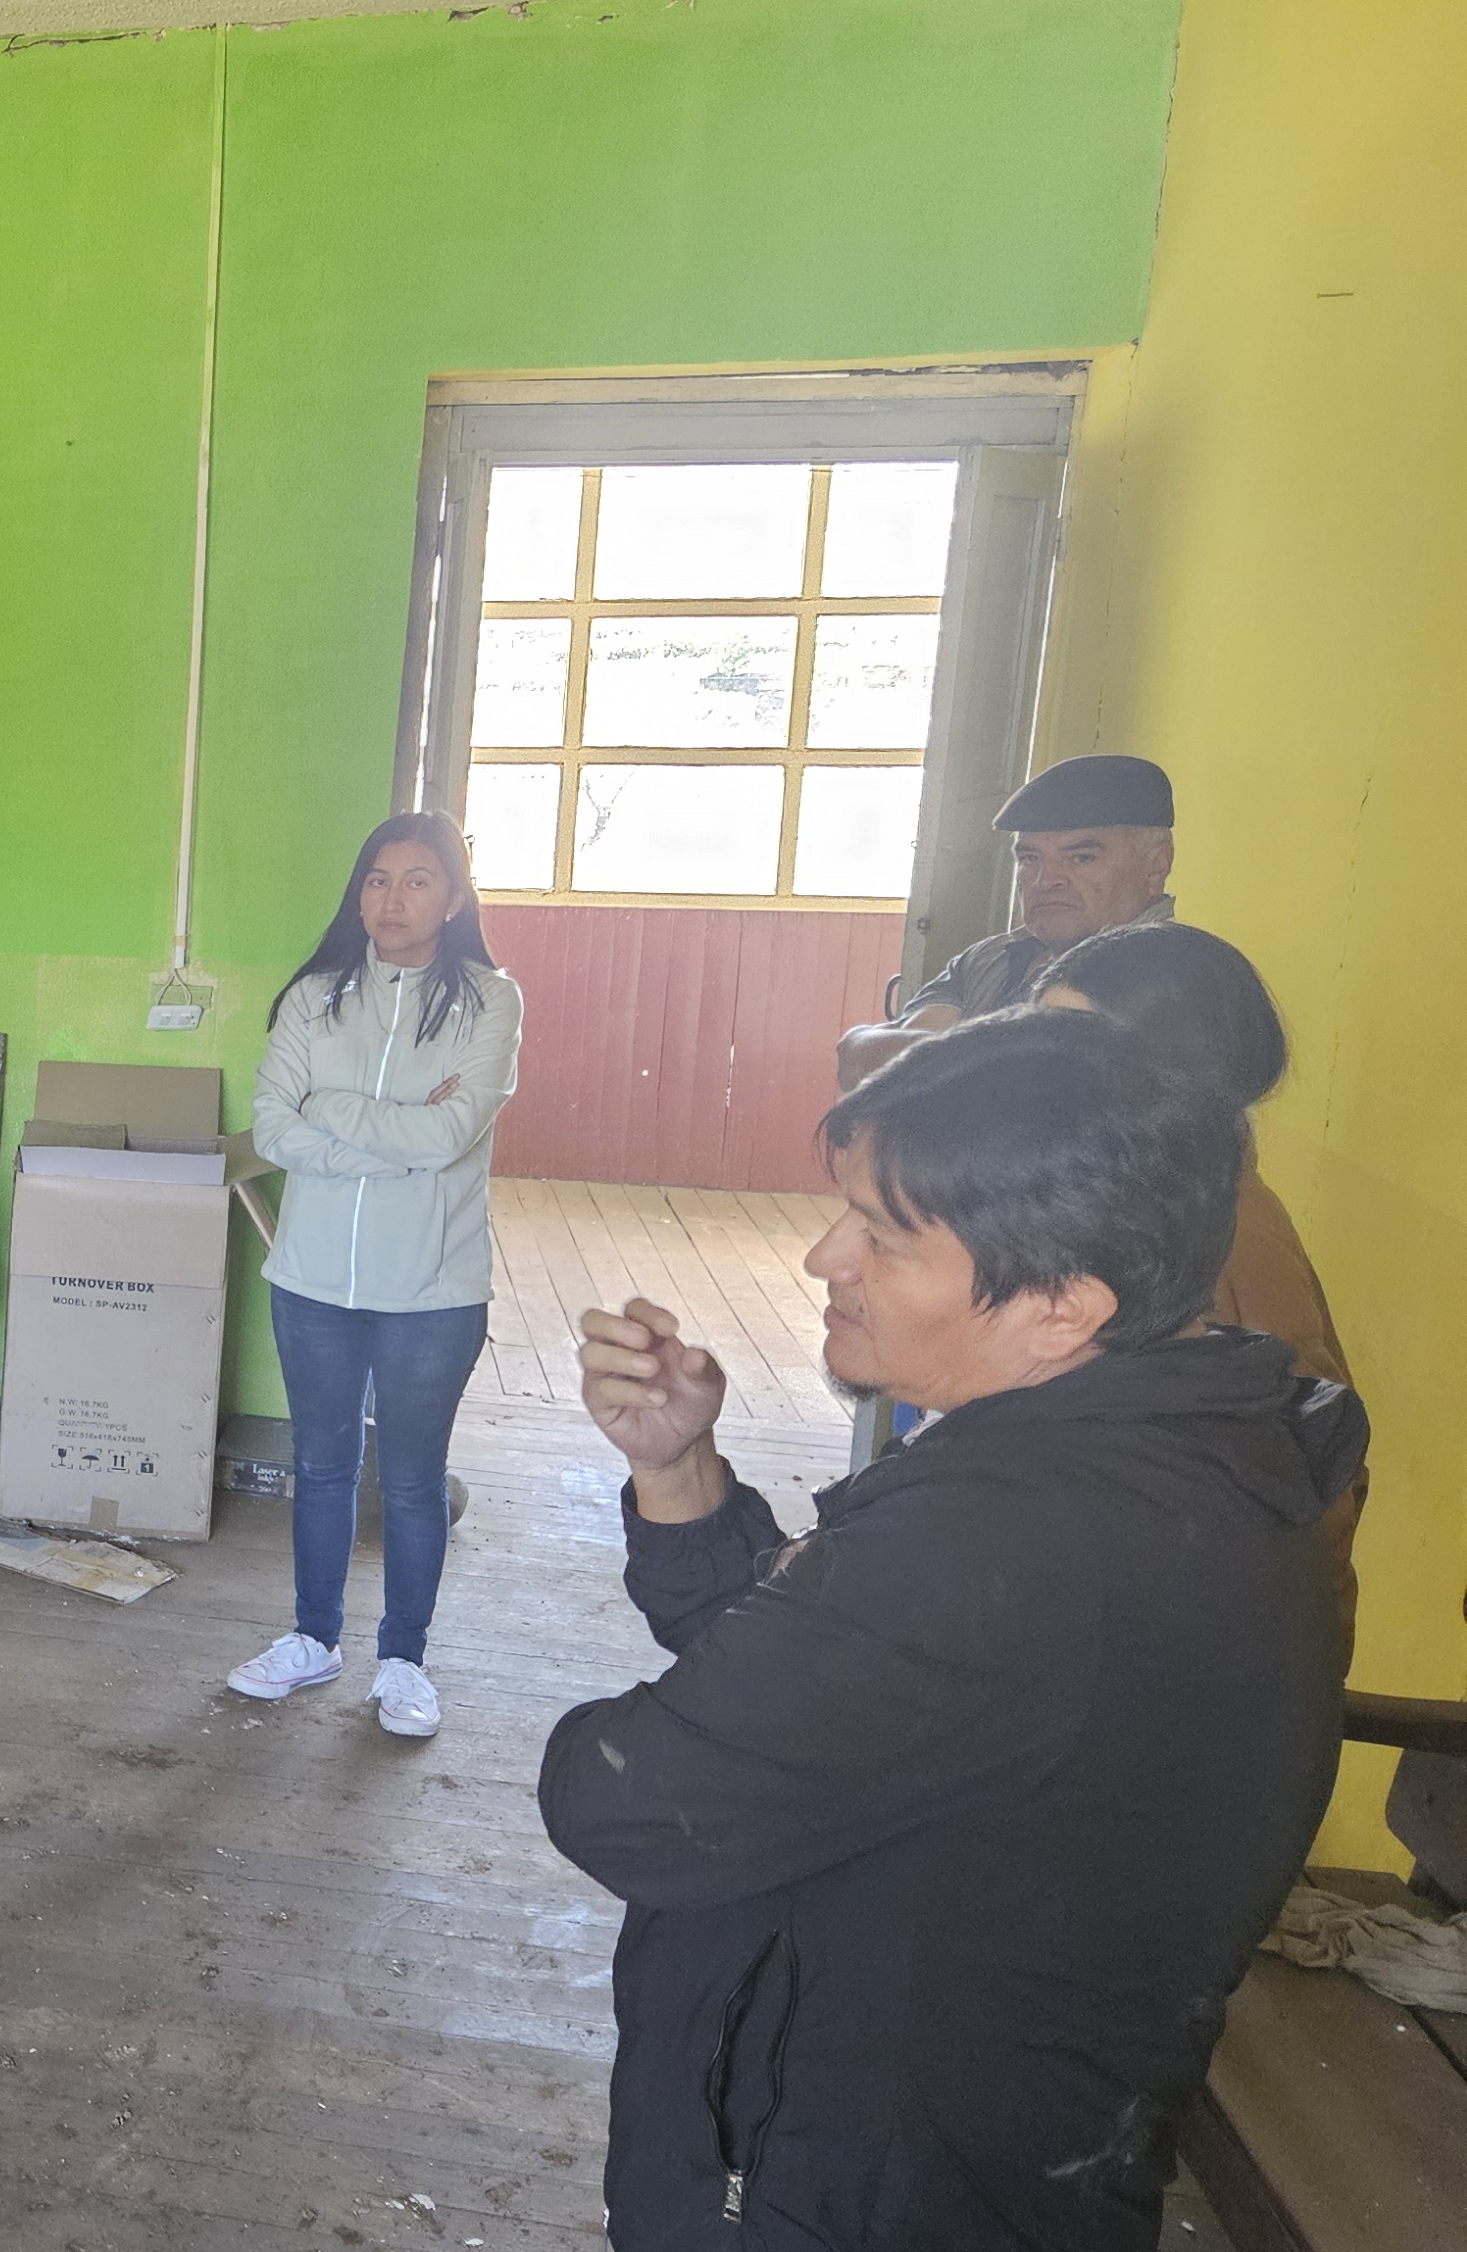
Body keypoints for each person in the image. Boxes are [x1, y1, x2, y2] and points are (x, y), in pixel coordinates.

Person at [545, 1007, 1360, 2247]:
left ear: (1060, 1307)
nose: (823, 1256)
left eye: (881, 1234)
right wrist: (678, 1468)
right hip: (997, 2149)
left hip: (859, 2182)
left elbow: (632, 1799)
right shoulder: (1176, 1450)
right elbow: (839, 1682)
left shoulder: (1017, 1536)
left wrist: (612, 1739)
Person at [227, 811, 523, 1739]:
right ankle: (312, 1640)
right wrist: (398, 1141)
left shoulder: (490, 1002)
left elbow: (452, 1133)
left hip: (432, 1289)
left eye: (418, 880)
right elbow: (273, 1129)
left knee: (411, 1480)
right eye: (377, 879)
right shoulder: (315, 997)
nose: (393, 899)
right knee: (320, 1468)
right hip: (312, 1278)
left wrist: (333, 1109)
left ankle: (404, 1663)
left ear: (456, 898)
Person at [1033, 919, 1366, 1633]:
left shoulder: (1227, 1239)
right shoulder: (1144, 1209)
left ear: (1179, 1070)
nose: (1038, 1075)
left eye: (1079, 1047)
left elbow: (1311, 1490)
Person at [836, 752, 1176, 1088]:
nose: (1045, 880)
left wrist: (944, 1056)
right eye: (1029, 858)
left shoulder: (1176, 976)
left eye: (1081, 857)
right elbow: (865, 1061)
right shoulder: (991, 957)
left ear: (1155, 867)